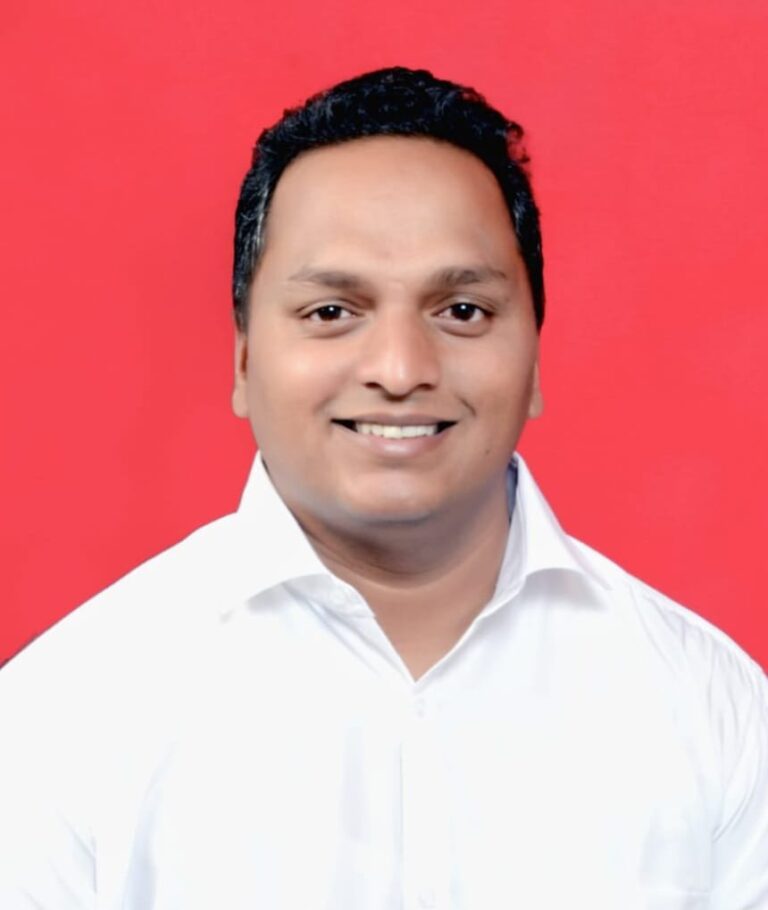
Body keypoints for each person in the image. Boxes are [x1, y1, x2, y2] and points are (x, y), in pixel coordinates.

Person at [0, 66, 766, 909]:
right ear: (245, 360)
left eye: (462, 311)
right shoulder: (61, 719)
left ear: (535, 358)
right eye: (332, 312)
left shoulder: (713, 712)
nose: (400, 371)